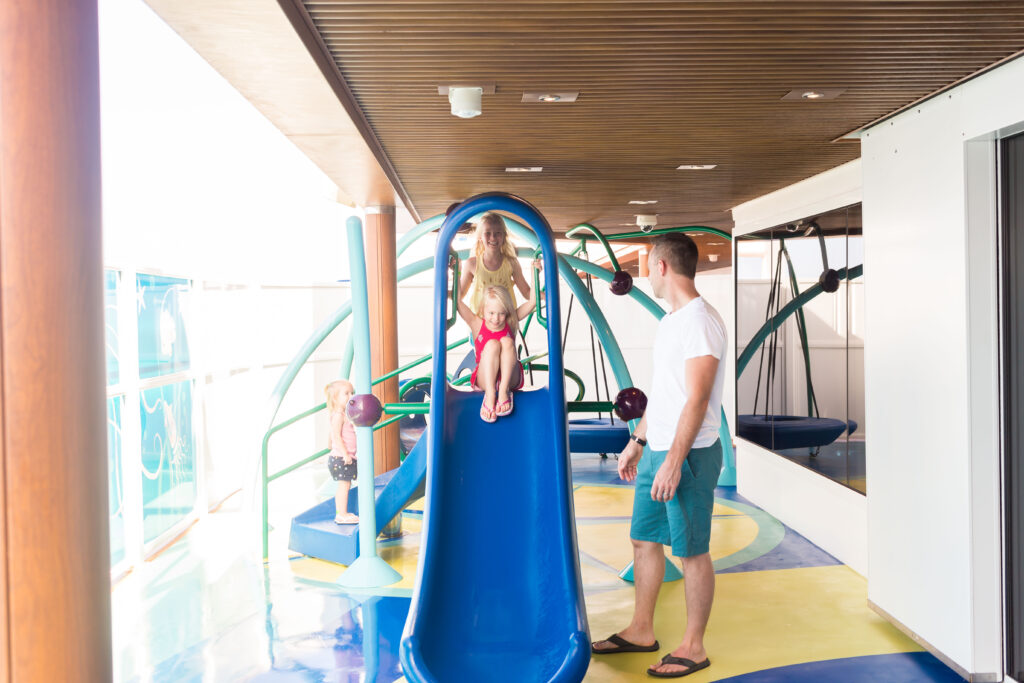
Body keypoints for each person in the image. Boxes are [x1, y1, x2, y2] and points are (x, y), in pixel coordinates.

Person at [590, 232, 727, 679]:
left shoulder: (701, 322)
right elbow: (666, 397)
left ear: (663, 267)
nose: (647, 273)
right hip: (660, 449)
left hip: (688, 455)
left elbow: (697, 399)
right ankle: (641, 630)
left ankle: (694, 645)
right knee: (643, 540)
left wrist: (672, 460)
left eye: (649, 265)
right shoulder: (671, 321)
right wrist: (639, 442)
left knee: (690, 552)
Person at [455, 285, 535, 422]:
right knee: (492, 344)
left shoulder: (511, 321)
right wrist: (455, 272)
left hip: (509, 378)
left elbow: (533, 302)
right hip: (485, 378)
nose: (496, 318)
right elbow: (457, 302)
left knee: (507, 342)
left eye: (501, 313)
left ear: (507, 312)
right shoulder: (476, 323)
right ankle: (490, 394)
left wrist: (536, 272)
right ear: (482, 310)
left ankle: (503, 391)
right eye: (491, 313)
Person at [459, 212, 534, 313]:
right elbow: (459, 294)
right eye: (487, 233)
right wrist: (455, 273)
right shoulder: (472, 264)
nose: (493, 237)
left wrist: (545, 296)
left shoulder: (512, 263)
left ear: (504, 236)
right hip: (480, 323)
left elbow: (527, 293)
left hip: (505, 320)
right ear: (480, 237)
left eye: (498, 233)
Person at [325, 379, 359, 524]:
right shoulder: (338, 415)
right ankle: (341, 514)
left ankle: (343, 512)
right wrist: (345, 453)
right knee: (344, 486)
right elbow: (336, 435)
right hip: (341, 457)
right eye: (346, 393)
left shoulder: (343, 414)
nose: (351, 396)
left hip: (343, 456)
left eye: (352, 392)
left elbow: (331, 434)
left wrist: (329, 445)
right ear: (335, 398)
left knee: (346, 485)